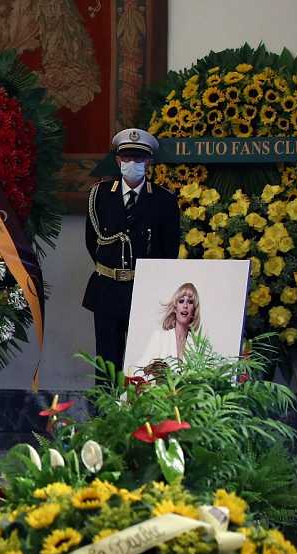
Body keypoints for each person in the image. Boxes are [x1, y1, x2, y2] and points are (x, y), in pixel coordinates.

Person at [82, 129, 181, 378]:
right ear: (118, 161)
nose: (132, 163)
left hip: (145, 290)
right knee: (107, 364)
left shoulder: (164, 200)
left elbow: (169, 250)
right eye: (126, 158)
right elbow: (92, 241)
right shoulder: (100, 195)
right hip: (107, 288)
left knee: (144, 364)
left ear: (148, 162)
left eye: (138, 159)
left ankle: (141, 405)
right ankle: (107, 404)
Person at [132, 282, 201, 373]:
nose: (185, 306)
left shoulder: (197, 346)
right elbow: (138, 371)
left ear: (194, 311)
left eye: (190, 302)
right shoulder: (159, 337)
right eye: (181, 301)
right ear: (175, 308)